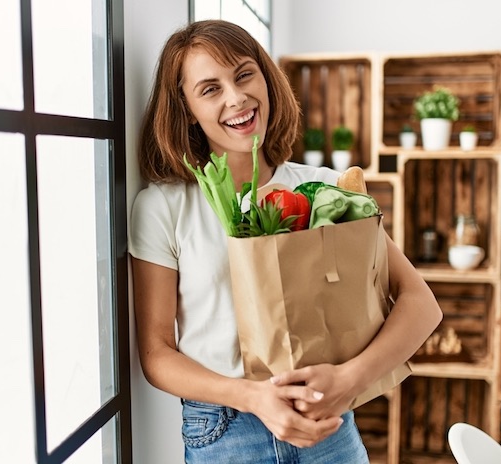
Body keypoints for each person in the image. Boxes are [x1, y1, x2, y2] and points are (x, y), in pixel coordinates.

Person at [129, 19, 443, 463]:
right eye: (210, 89)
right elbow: (156, 353)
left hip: (327, 428)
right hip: (223, 431)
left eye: (243, 74)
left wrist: (349, 380)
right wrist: (252, 397)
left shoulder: (327, 188)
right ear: (186, 108)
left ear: (266, 77)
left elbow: (421, 303)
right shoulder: (163, 207)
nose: (236, 98)